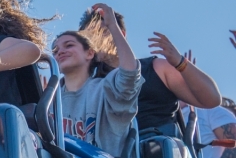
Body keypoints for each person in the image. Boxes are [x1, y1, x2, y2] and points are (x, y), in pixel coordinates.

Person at [78, 9, 220, 136]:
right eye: (89, 37)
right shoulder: (88, 86)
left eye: (102, 32)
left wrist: (179, 62)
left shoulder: (155, 68)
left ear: (121, 34)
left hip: (160, 155)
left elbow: (211, 99)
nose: (96, 41)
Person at [52, 4, 141, 158]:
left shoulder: (106, 88)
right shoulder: (50, 101)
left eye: (69, 45)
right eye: (55, 50)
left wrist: (112, 26)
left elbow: (129, 75)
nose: (60, 51)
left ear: (90, 53)